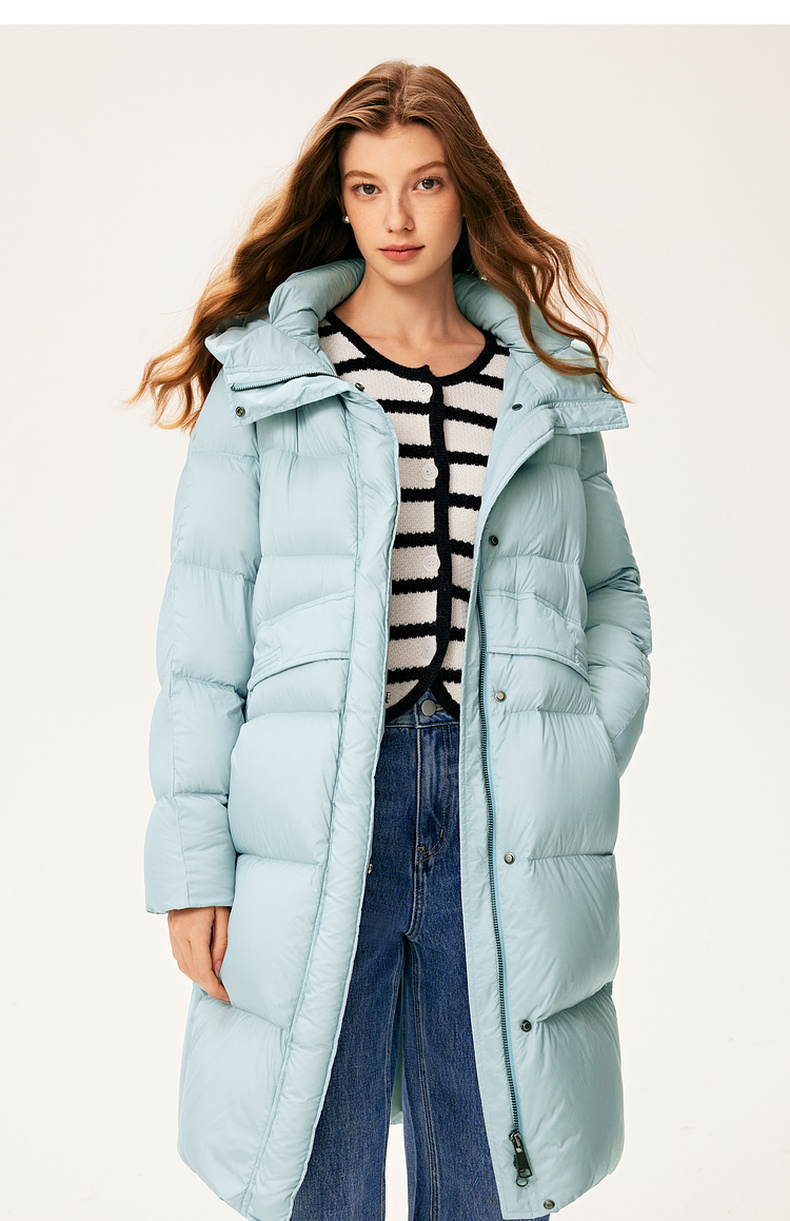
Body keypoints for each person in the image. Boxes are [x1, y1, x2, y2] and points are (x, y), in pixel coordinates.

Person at [130, 60, 652, 1221]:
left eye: (424, 182)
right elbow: (203, 645)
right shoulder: (271, 384)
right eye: (368, 188)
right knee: (315, 1167)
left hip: (497, 804)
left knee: (491, 1168)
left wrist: (576, 747)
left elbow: (612, 593)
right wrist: (194, 868)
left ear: (467, 192)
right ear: (342, 201)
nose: (397, 217)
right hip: (319, 812)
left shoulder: (539, 387)